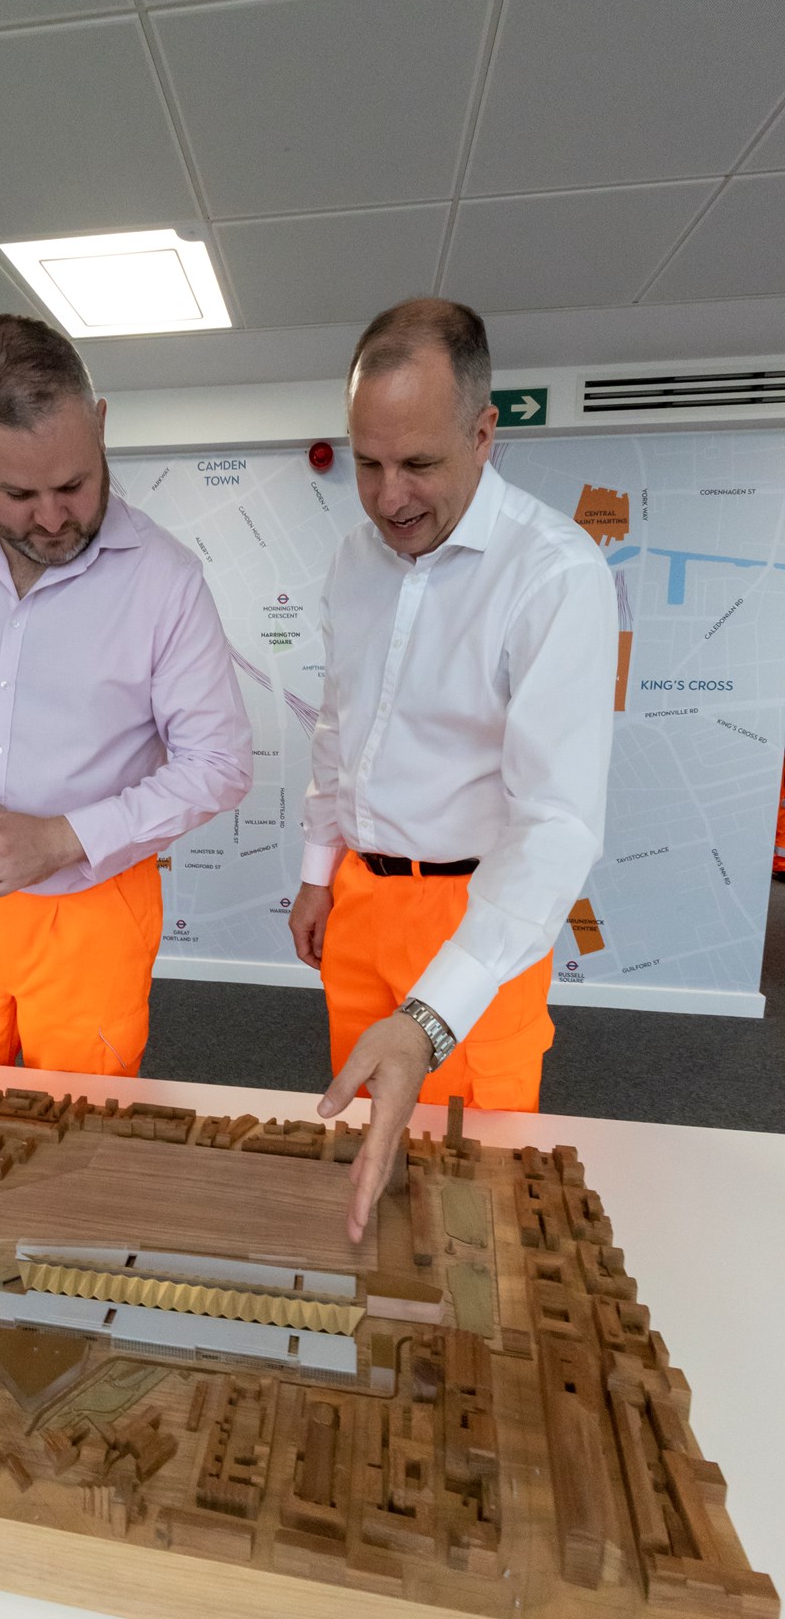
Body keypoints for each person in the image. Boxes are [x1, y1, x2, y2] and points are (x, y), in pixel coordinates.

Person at [290, 298, 617, 1241]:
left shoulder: (556, 577)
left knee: (481, 1192)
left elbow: (556, 826)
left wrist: (434, 1014)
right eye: (368, 463)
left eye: (421, 464)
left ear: (484, 435)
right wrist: (320, 874)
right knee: (367, 1150)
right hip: (360, 900)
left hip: (480, 918)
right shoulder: (354, 562)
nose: (390, 497)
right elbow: (338, 728)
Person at [0, 314, 251, 1074]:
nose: (54, 517)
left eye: (74, 483)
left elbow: (220, 763)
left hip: (94, 904)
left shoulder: (164, 578)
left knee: (83, 1138)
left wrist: (64, 838)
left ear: (100, 426)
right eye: (18, 493)